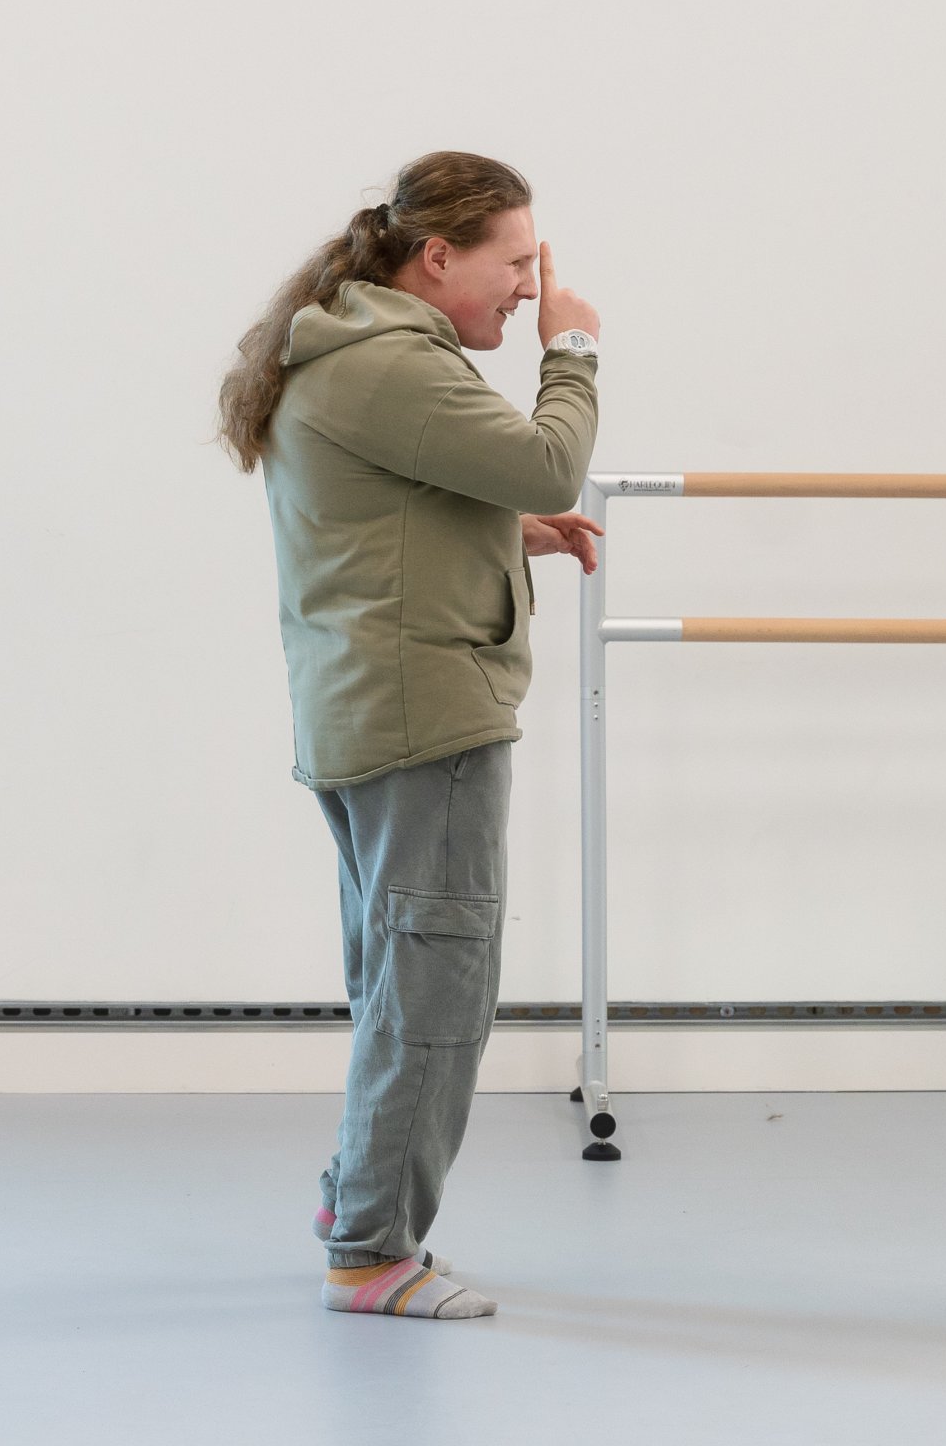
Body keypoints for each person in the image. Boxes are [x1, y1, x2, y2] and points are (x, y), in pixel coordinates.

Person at [217, 150, 605, 1320]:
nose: (530, 288)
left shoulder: (354, 349)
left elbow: (379, 523)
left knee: (401, 977)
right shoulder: (391, 363)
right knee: (434, 991)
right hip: (420, 722)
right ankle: (374, 1254)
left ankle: (355, 1203)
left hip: (376, 709)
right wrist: (575, 353)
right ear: (438, 258)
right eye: (516, 264)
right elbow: (549, 454)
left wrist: (506, 540)